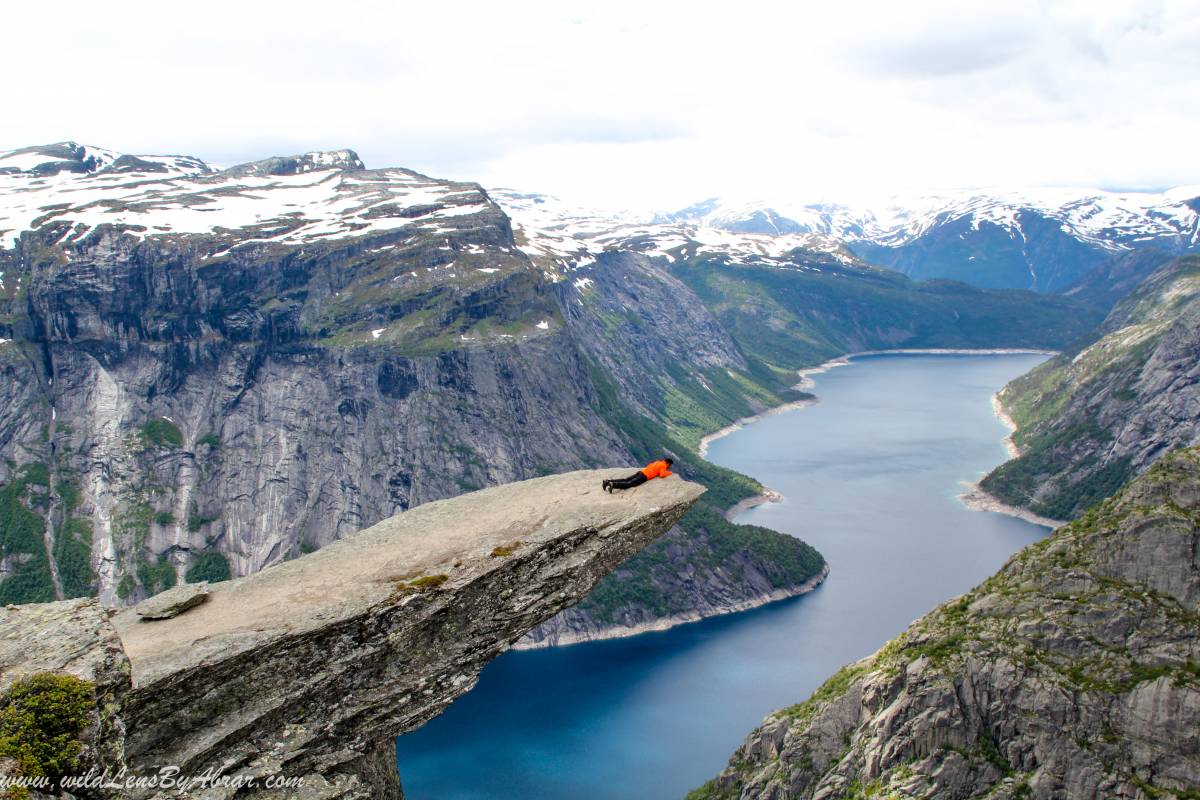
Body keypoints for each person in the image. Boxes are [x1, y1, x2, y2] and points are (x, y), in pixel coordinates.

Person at [603, 458, 674, 493]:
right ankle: (613, 484)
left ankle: (607, 481)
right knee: (629, 484)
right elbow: (662, 475)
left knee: (626, 479)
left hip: (641, 472)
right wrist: (669, 473)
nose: (669, 467)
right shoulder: (663, 465)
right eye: (669, 466)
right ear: (668, 464)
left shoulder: (658, 462)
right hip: (644, 476)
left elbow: (649, 465)